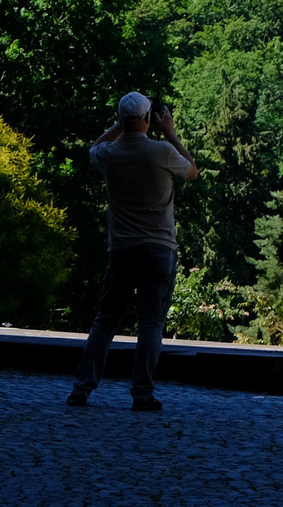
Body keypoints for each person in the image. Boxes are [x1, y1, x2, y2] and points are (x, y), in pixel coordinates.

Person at [67, 92, 199, 411]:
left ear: (122, 119)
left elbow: (93, 148)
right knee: (151, 324)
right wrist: (168, 130)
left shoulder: (110, 155)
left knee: (106, 322)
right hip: (159, 249)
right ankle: (142, 394)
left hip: (123, 249)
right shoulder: (161, 152)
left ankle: (82, 390)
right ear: (148, 119)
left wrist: (119, 125)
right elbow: (192, 171)